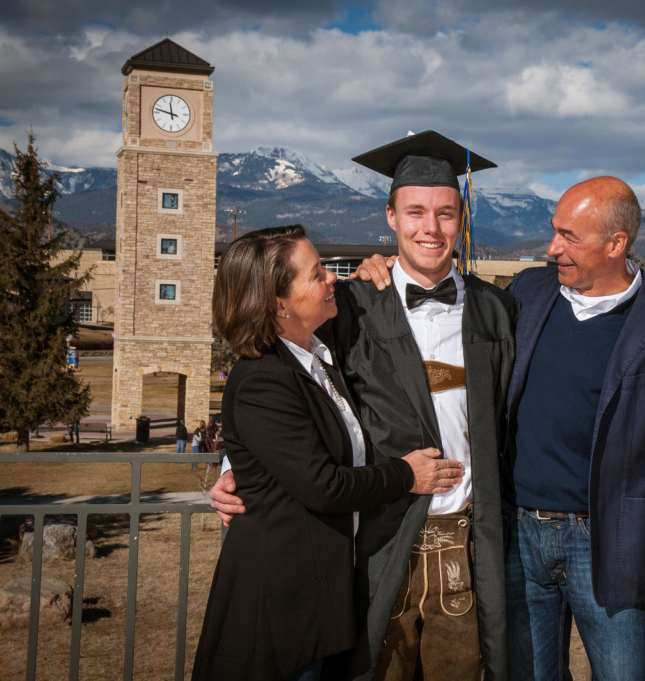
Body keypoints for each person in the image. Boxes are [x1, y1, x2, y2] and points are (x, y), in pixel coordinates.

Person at [211, 131, 516, 681]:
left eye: (446, 214)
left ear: (463, 218)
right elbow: (286, 390)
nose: (431, 228)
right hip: (379, 541)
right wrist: (235, 470)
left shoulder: (496, 311)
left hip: (468, 541)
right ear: (391, 216)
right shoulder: (348, 304)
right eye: (415, 211)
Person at [192, 225, 464, 681]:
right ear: (279, 303)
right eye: (317, 273)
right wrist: (406, 475)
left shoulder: (316, 358)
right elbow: (323, 484)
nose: (330, 279)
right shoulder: (263, 378)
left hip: (320, 595)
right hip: (281, 605)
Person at [502, 177, 645, 680]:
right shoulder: (527, 293)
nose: (553, 248)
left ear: (617, 244)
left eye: (569, 236)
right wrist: (387, 267)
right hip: (518, 539)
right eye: (554, 232)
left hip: (607, 543)